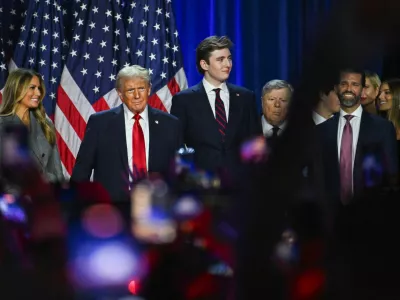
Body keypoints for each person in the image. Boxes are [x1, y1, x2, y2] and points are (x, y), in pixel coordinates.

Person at [71, 65, 182, 202]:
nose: (137, 96)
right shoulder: (100, 123)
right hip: (112, 208)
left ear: (149, 89)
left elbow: (179, 172)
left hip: (157, 207)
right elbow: (82, 170)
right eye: (130, 90)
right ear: (120, 94)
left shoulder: (170, 124)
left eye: (141, 88)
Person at [170, 36, 261, 174]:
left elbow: (254, 142)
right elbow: (176, 145)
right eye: (220, 60)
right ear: (204, 64)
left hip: (239, 184)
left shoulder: (245, 97)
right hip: (200, 183)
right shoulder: (183, 100)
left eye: (229, 58)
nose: (228, 64)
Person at [316, 69, 398, 207]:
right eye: (344, 84)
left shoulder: (383, 128)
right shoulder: (321, 131)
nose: (349, 89)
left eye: (355, 84)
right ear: (336, 88)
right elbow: (316, 177)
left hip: (371, 215)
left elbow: (392, 177)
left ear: (362, 90)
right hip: (330, 218)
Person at [0, 68, 63, 184]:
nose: (38, 93)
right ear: (17, 89)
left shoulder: (46, 125)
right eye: (32, 88)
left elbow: (56, 170)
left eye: (39, 88)